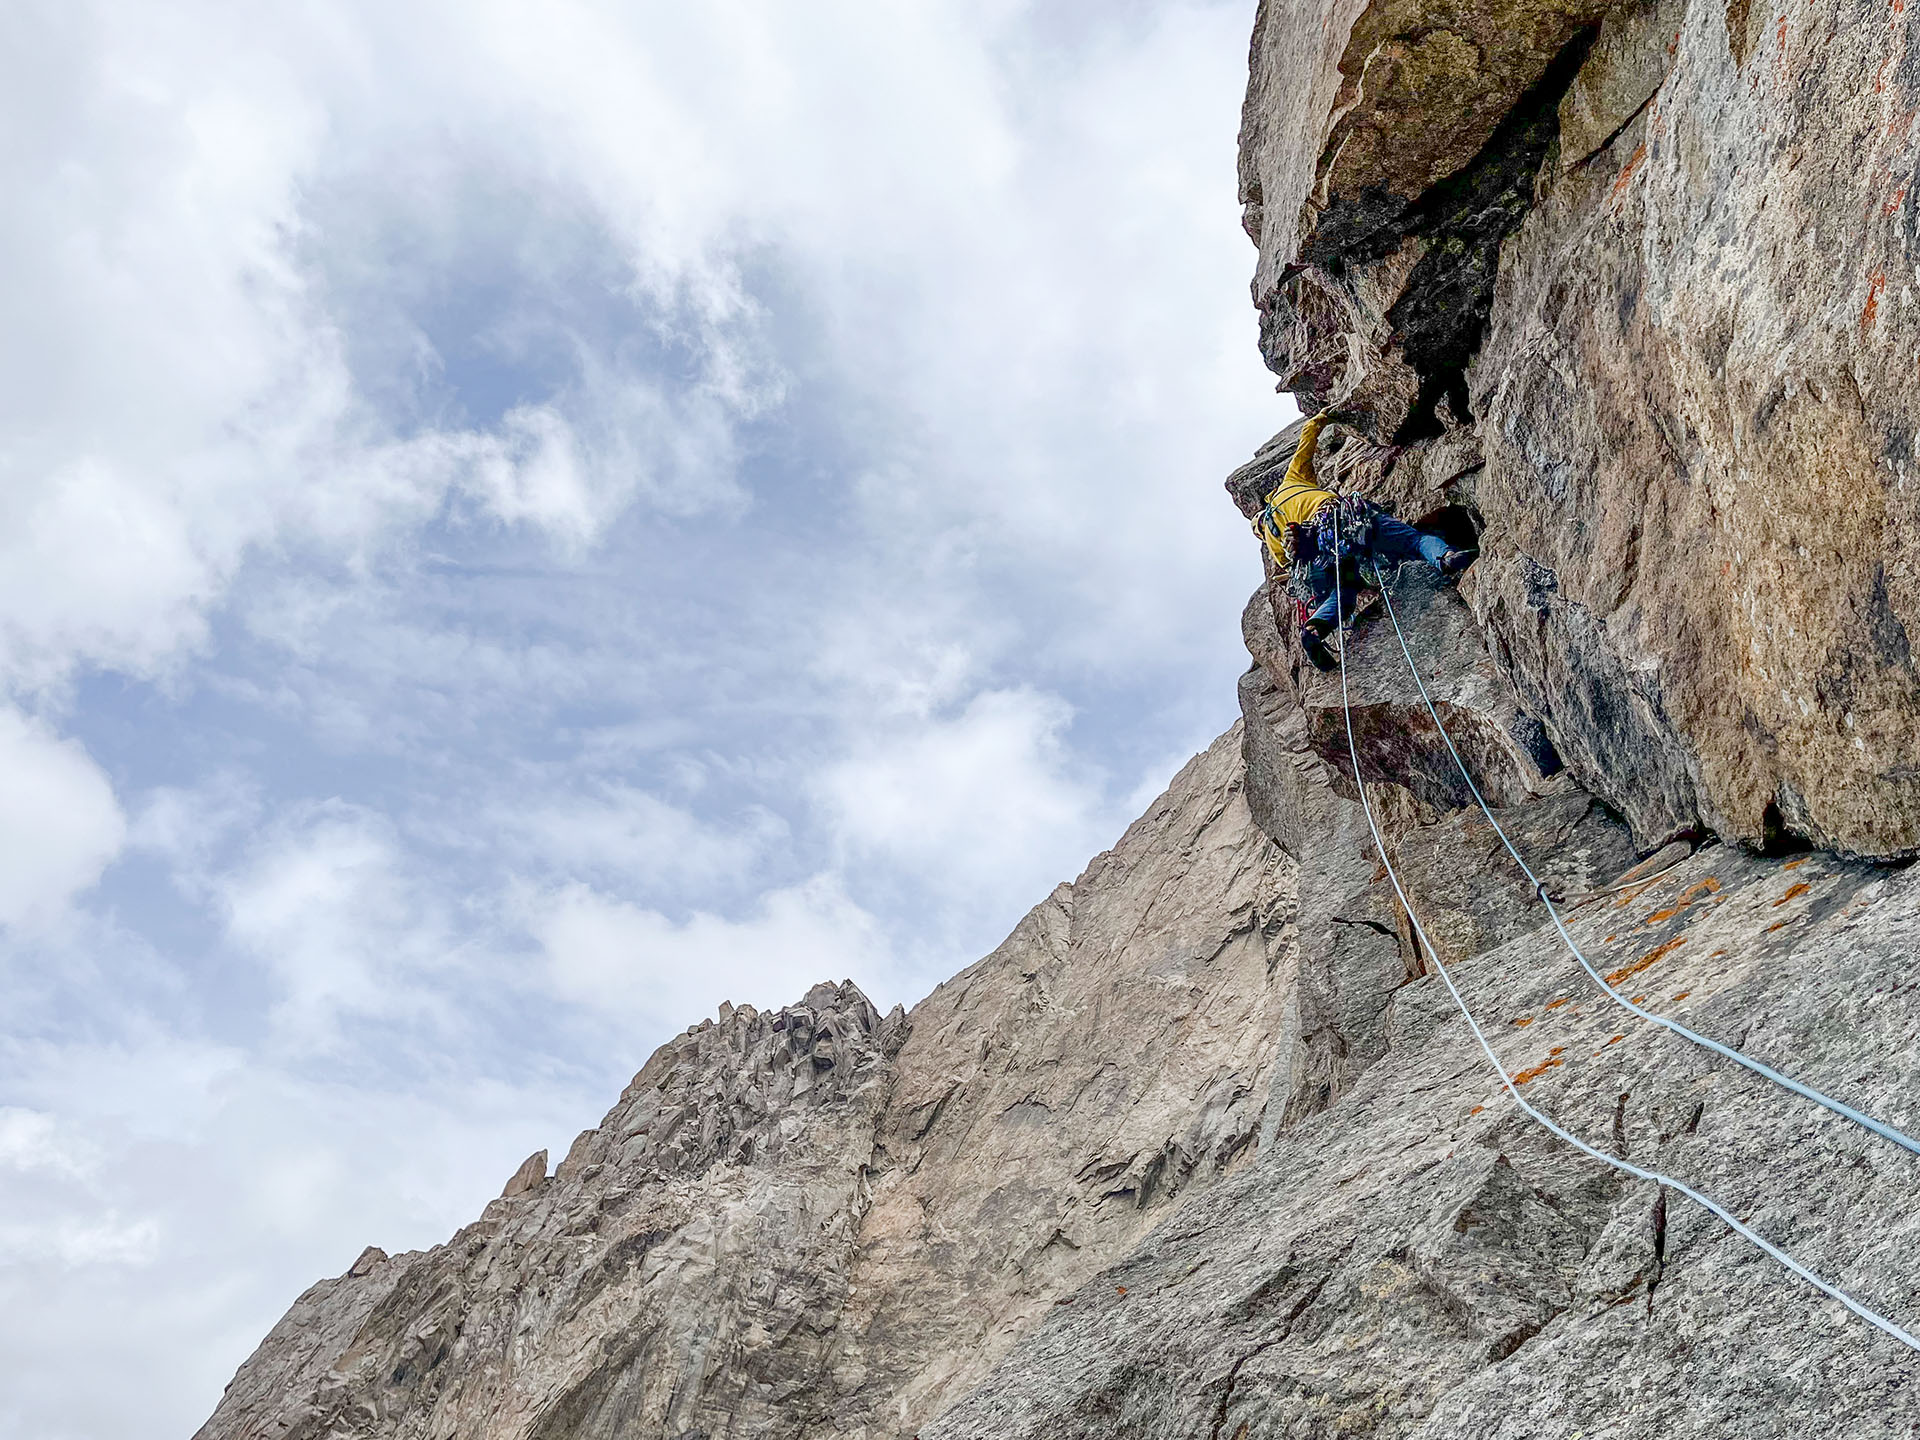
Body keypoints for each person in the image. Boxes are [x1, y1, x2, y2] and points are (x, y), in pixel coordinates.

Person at [1252, 408, 1474, 671]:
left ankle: (1313, 629)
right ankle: (1445, 558)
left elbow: (1290, 570)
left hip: (1316, 559)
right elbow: (1306, 442)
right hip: (1339, 521)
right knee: (1413, 541)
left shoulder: (1272, 538)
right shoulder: (1290, 483)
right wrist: (1322, 418)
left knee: (1343, 594)